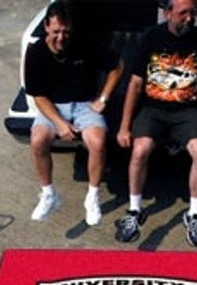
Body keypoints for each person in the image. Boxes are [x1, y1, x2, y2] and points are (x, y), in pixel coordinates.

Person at [114, 0, 197, 247]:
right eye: (183, 13)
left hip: (187, 111)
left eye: (193, 13)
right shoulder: (150, 38)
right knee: (140, 150)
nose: (189, 18)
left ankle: (194, 215)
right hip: (152, 109)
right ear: (167, 13)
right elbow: (134, 84)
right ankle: (134, 212)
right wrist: (124, 126)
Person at [25, 2, 123, 225]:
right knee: (38, 140)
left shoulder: (85, 44)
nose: (61, 37)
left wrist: (103, 99)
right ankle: (49, 194)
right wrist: (59, 124)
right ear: (47, 27)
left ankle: (92, 197)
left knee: (97, 143)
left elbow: (118, 66)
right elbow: (38, 96)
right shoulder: (36, 52)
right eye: (56, 31)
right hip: (52, 106)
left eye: (66, 32)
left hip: (84, 104)